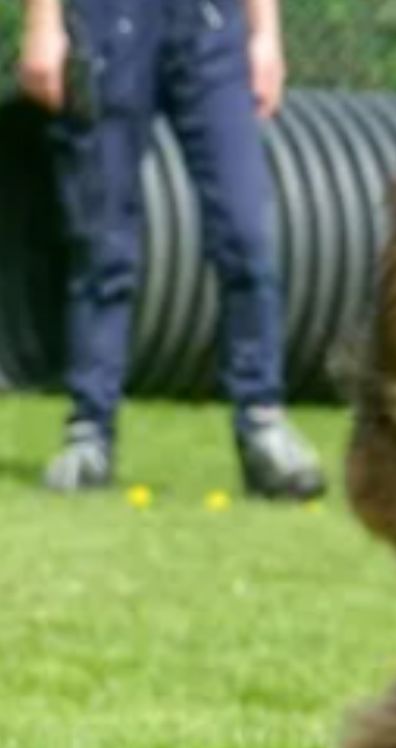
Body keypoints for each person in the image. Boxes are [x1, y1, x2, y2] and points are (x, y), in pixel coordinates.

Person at [17, 0, 326, 499]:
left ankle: (263, 427)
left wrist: (265, 35)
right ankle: (90, 434)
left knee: (246, 235)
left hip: (212, 27)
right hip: (108, 22)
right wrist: (44, 23)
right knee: (102, 245)